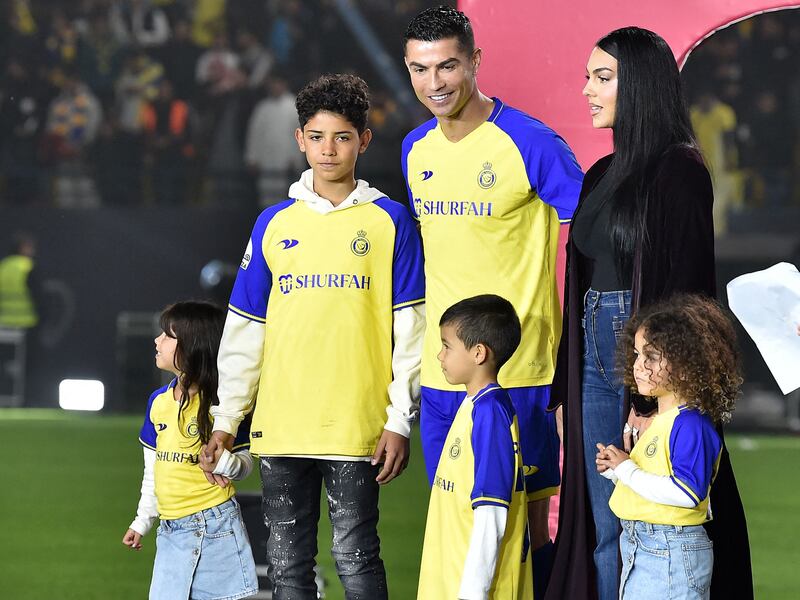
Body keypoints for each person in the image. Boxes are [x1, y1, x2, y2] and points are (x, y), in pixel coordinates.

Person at [201, 74, 425, 599]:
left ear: (364, 141)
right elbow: (245, 330)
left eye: (342, 136)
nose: (329, 149)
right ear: (300, 139)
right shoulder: (273, 223)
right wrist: (228, 418)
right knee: (287, 569)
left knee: (355, 557)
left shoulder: (391, 221)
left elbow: (411, 332)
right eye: (318, 136)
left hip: (357, 426)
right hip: (281, 426)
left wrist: (399, 420)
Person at [546, 27, 751, 600]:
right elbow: (577, 288)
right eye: (588, 76)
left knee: (644, 516)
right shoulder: (597, 175)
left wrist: (650, 395)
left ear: (640, 86)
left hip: (644, 360)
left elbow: (687, 296)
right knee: (602, 521)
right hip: (592, 351)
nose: (587, 89)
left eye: (603, 77)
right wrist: (566, 388)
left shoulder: (679, 170)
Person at [401, 7, 583, 595]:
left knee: (528, 530)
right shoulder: (415, 150)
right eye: (420, 69)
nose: (436, 83)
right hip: (441, 376)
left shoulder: (530, 142)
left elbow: (595, 232)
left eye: (448, 65)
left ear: (475, 61)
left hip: (520, 373)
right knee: (459, 525)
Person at [596, 294, 741, 599]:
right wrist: (617, 472)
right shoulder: (661, 420)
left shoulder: (690, 424)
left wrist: (628, 469)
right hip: (644, 545)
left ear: (687, 361)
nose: (638, 366)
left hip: (670, 551)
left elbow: (687, 494)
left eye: (651, 356)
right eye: (636, 354)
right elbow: (655, 481)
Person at [122, 301, 258, 600]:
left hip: (215, 525)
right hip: (171, 530)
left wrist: (224, 463)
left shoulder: (227, 405)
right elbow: (153, 469)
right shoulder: (157, 401)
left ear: (194, 346)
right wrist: (143, 520)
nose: (157, 340)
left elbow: (246, 463)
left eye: (168, 336)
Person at [418, 294, 532, 600]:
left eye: (446, 346)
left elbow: (492, 508)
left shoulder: (490, 413)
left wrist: (473, 592)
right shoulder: (474, 405)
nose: (439, 356)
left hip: (474, 590)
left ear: (478, 353)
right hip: (450, 579)